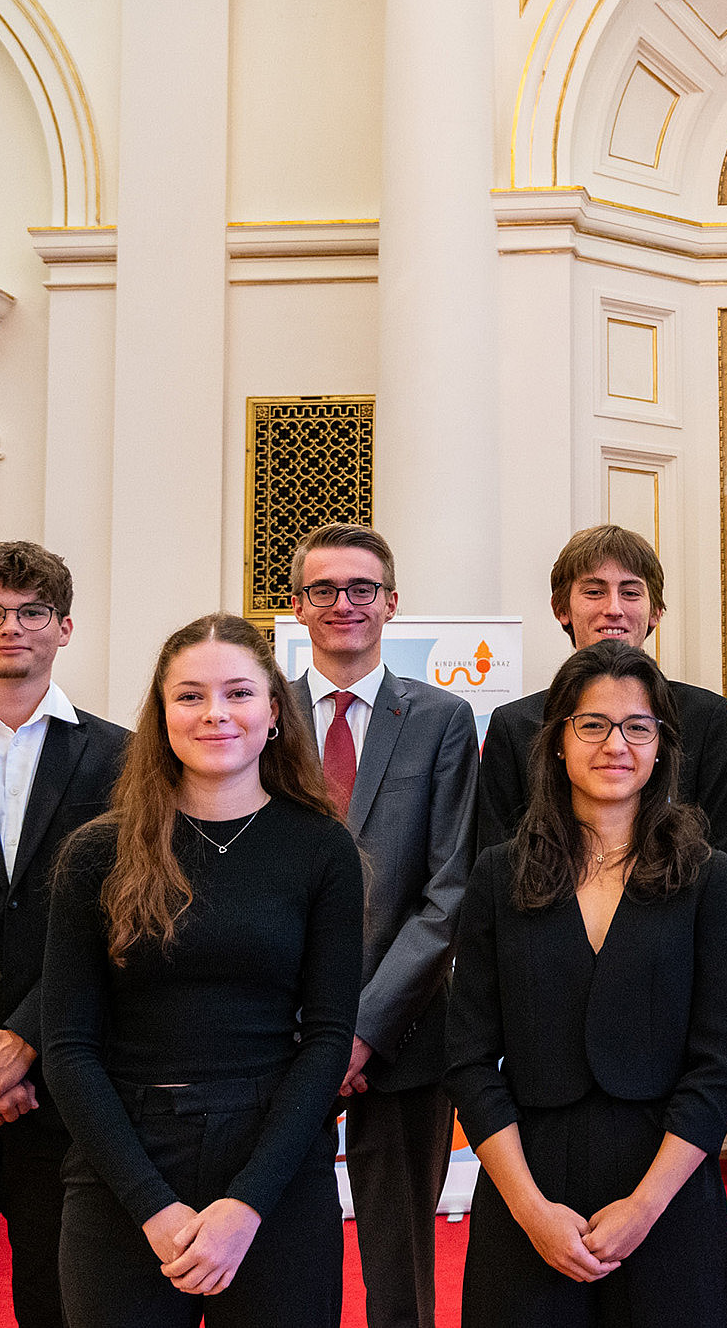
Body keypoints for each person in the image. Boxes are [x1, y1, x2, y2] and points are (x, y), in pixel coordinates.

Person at [43, 614, 362, 1327]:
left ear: (274, 710)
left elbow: (328, 1039)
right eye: (190, 696)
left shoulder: (322, 848)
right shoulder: (97, 852)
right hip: (124, 1160)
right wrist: (151, 1206)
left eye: (239, 693)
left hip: (274, 1163)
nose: (216, 713)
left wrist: (247, 1205)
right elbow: (67, 1046)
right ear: (161, 714)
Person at [447, 640, 727, 1327]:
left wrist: (644, 1208)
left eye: (638, 727)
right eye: (593, 725)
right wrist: (530, 1210)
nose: (616, 744)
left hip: (666, 1188)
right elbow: (468, 1059)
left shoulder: (705, 876)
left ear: (662, 746)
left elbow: (719, 1065)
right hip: (530, 1184)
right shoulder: (500, 873)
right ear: (557, 742)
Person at [283, 523, 477, 1328]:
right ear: (297, 607)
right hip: (276, 1032)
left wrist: (359, 1031)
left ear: (392, 603)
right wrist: (310, 1030)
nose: (344, 604)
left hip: (402, 1036)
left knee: (399, 1273)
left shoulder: (441, 718)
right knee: (281, 1255)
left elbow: (449, 890)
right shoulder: (260, 714)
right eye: (324, 589)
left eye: (362, 588)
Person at [0, 543, 128, 1328]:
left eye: (32, 612)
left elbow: (125, 923)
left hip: (69, 1088)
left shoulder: (123, 757)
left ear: (65, 627)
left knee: (64, 1308)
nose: (11, 626)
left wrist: (23, 1040)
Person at [474, 523, 727, 905]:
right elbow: (496, 876)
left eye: (631, 592)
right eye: (594, 591)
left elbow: (725, 876)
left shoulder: (709, 720)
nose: (613, 608)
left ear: (656, 612)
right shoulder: (515, 726)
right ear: (561, 608)